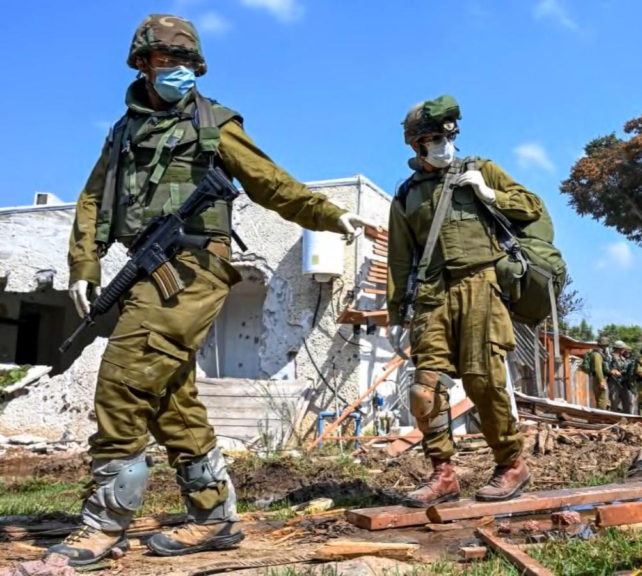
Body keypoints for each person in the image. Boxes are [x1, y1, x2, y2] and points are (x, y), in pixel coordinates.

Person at [51, 14, 374, 566]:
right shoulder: (123, 132)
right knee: (170, 401)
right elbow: (92, 200)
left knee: (125, 381)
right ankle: (214, 518)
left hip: (195, 265)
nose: (178, 70)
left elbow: (268, 180)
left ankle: (103, 525)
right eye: (166, 60)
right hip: (146, 267)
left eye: (186, 62)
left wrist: (326, 213)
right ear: (143, 64)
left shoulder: (212, 122)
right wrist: (85, 262)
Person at [387, 95, 542, 508]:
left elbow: (532, 207)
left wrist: (490, 194)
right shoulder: (407, 195)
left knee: (483, 380)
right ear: (416, 145)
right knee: (424, 388)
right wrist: (397, 312)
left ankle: (511, 464)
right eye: (434, 139)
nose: (444, 145)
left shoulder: (482, 169)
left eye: (448, 137)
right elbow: (399, 257)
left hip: (480, 284)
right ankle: (443, 474)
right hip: (432, 293)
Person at [587, 338, 611, 410]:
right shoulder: (597, 355)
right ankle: (600, 416)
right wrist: (601, 380)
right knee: (602, 400)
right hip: (598, 379)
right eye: (606, 346)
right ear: (604, 346)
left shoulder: (597, 354)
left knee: (604, 400)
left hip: (598, 378)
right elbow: (598, 369)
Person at [608, 341, 630, 413]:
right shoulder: (610, 357)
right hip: (614, 382)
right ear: (619, 349)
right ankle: (614, 417)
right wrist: (612, 371)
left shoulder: (623, 358)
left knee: (626, 402)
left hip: (623, 382)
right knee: (614, 402)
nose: (624, 350)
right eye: (623, 348)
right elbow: (605, 368)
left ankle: (627, 417)